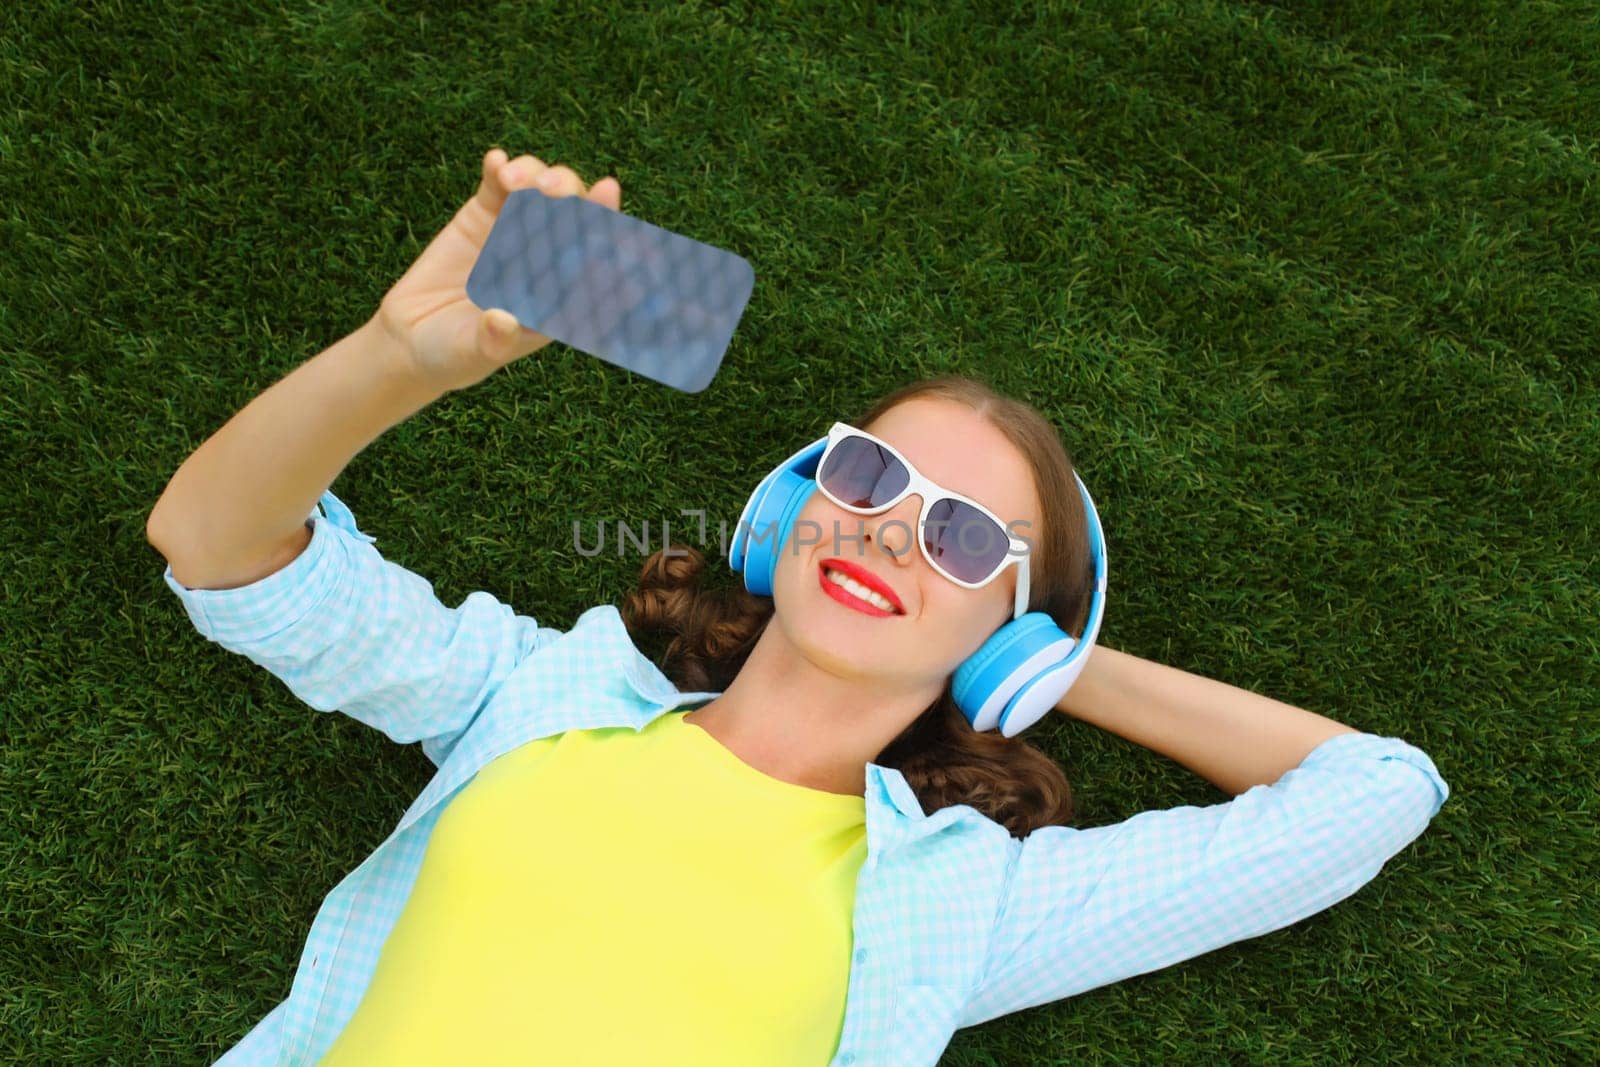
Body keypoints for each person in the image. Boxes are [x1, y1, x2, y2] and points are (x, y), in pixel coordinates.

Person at [146, 148, 1451, 1067]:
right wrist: (396, 360)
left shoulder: (957, 903)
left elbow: (1375, 790)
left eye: (957, 533)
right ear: (787, 514)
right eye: (872, 474)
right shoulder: (535, 691)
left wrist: (1054, 663)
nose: (891, 524)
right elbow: (213, 546)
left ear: (1009, 630)